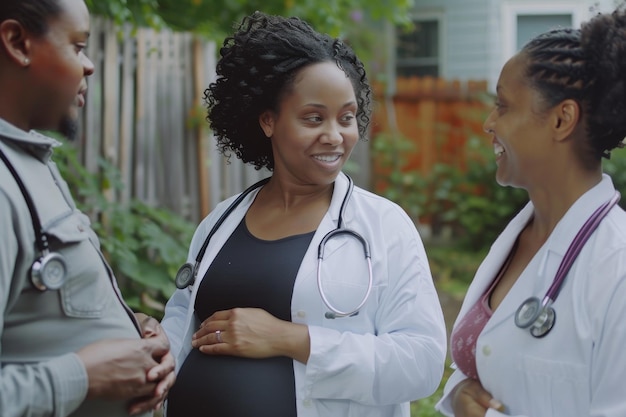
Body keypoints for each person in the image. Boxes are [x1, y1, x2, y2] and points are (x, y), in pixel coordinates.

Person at [161, 10, 447, 417]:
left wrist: (290, 339)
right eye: (314, 118)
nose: (335, 135)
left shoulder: (384, 227)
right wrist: (154, 345)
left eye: (346, 118)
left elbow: (421, 363)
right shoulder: (219, 223)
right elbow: (182, 323)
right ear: (268, 121)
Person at [435, 7, 626, 417]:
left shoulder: (618, 269)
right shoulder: (519, 237)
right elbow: (486, 361)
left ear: (562, 119)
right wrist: (460, 395)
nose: (488, 123)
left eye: (502, 105)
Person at [0, 1, 176, 416]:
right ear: (17, 43)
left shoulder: (28, 162)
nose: (90, 65)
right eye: (77, 46)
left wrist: (133, 334)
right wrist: (83, 374)